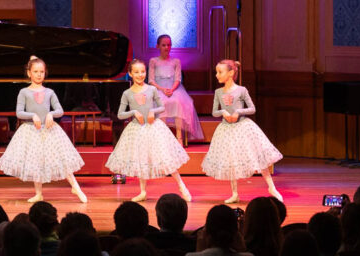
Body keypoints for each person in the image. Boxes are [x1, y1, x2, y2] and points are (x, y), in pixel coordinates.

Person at [0, 56, 87, 204]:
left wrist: (51, 114)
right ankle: (39, 194)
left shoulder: (49, 92)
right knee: (36, 162)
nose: (39, 74)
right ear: (29, 73)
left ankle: (75, 187)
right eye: (36, 71)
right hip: (31, 131)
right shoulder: (24, 92)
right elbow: (19, 112)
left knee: (60, 159)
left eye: (42, 71)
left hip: (49, 130)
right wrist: (32, 115)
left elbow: (60, 110)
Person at [107, 58, 192, 203]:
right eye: (136, 72)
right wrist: (133, 112)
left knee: (165, 157)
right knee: (141, 159)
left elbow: (161, 107)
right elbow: (120, 114)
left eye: (142, 72)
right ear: (130, 74)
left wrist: (153, 111)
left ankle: (182, 186)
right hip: (136, 129)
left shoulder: (152, 89)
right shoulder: (127, 93)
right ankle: (142, 191)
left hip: (153, 128)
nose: (140, 75)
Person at [201, 59, 283, 204]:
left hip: (242, 127)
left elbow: (252, 108)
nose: (216, 75)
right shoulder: (218, 92)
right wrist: (223, 112)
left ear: (231, 73)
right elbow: (214, 112)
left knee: (258, 156)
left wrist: (238, 111)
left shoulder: (241, 90)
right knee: (231, 159)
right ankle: (234, 193)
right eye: (216, 72)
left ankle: (271, 187)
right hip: (226, 129)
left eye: (220, 72)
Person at [149, 34, 204, 142]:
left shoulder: (176, 61)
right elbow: (151, 80)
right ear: (158, 46)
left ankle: (179, 136)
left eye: (168, 45)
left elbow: (178, 79)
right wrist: (163, 89)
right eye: (163, 45)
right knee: (161, 103)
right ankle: (164, 137)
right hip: (159, 89)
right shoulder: (153, 61)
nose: (166, 47)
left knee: (179, 102)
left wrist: (171, 90)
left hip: (173, 88)